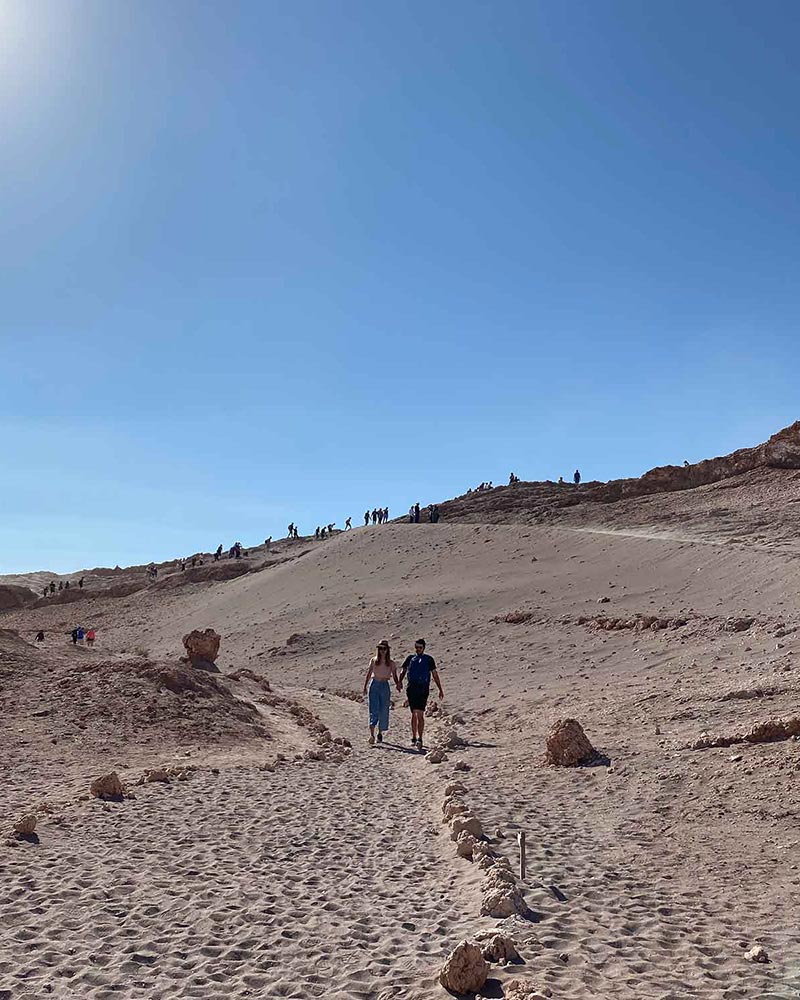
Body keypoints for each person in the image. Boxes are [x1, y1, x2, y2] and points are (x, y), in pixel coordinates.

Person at [399, 639, 444, 749]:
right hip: (412, 688)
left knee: (420, 713)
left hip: (423, 688)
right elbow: (403, 671)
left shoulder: (429, 659)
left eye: (420, 647)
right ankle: (414, 737)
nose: (418, 649)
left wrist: (440, 688)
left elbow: (435, 674)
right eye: (416, 647)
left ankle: (420, 738)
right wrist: (399, 682)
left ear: (424, 648)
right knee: (414, 712)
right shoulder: (410, 658)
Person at [363, 641, 401, 745]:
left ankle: (380, 732)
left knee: (384, 709)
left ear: (387, 650)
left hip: (384, 685)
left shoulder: (391, 663)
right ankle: (371, 734)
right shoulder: (374, 660)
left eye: (384, 649)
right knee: (373, 709)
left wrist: (398, 684)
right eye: (380, 649)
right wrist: (365, 686)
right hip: (375, 684)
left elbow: (394, 675)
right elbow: (369, 673)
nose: (382, 651)